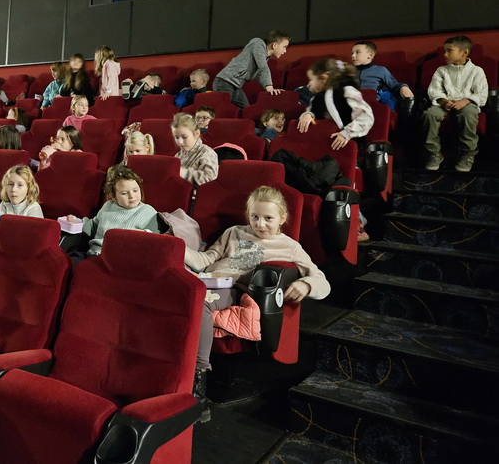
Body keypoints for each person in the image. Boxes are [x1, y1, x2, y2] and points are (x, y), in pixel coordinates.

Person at [186, 186, 330, 416]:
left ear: (282, 218)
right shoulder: (233, 232)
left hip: (230, 289)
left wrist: (306, 284)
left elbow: (322, 282)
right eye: (254, 217)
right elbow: (206, 259)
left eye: (268, 218)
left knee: (200, 300)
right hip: (206, 278)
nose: (260, 224)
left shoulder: (290, 247)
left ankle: (198, 380)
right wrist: (177, 249)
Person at [422, 35, 489, 173]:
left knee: (468, 114)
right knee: (430, 114)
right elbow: (434, 91)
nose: (445, 54)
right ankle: (434, 153)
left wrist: (466, 101)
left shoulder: (476, 71)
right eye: (445, 51)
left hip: (467, 104)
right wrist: (443, 101)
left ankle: (468, 153)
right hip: (444, 104)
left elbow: (481, 94)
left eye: (449, 51)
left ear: (464, 53)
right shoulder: (441, 70)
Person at [71, 165, 158, 256]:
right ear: (113, 196)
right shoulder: (108, 206)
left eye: (135, 190)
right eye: (124, 193)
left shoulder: (148, 211)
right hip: (95, 254)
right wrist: (74, 221)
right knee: (70, 259)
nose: (132, 196)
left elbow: (153, 240)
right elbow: (93, 226)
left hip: (119, 257)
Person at [298, 58, 374, 151]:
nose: (309, 84)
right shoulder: (318, 98)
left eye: (311, 79)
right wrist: (308, 115)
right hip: (325, 143)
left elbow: (366, 117)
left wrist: (347, 133)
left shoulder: (347, 91)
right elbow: (312, 110)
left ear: (324, 78)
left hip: (348, 144)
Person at [213, 31, 291, 108]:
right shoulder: (258, 44)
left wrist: (269, 90)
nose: (285, 51)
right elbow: (263, 67)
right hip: (224, 82)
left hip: (235, 86)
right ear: (274, 45)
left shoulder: (265, 57)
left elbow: (260, 74)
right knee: (224, 110)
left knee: (246, 110)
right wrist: (270, 87)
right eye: (284, 47)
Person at [350, 41, 415, 109]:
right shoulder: (349, 71)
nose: (353, 55)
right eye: (352, 53)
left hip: (372, 104)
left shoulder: (380, 70)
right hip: (351, 104)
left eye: (357, 52)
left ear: (370, 55)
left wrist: (403, 87)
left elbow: (394, 84)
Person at [0, 165, 43, 232]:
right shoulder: (3, 205)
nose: (13, 189)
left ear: (29, 188)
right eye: (10, 184)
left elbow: (34, 234)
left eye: (20, 185)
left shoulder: (33, 208)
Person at [172, 113, 218, 186]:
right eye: (177, 137)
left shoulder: (206, 152)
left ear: (196, 133)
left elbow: (210, 178)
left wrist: (185, 173)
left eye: (184, 137)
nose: (180, 142)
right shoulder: (178, 155)